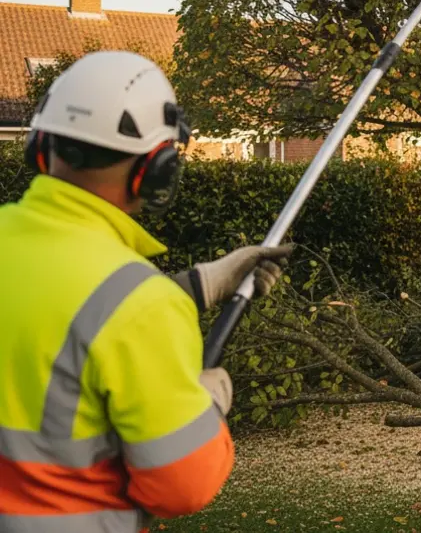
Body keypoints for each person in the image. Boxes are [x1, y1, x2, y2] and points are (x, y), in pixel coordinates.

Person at [0, 51, 293, 532]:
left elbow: (64, 319)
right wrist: (208, 407)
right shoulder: (140, 306)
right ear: (153, 171)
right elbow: (181, 487)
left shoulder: (135, 300)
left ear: (39, 145)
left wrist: (199, 284)